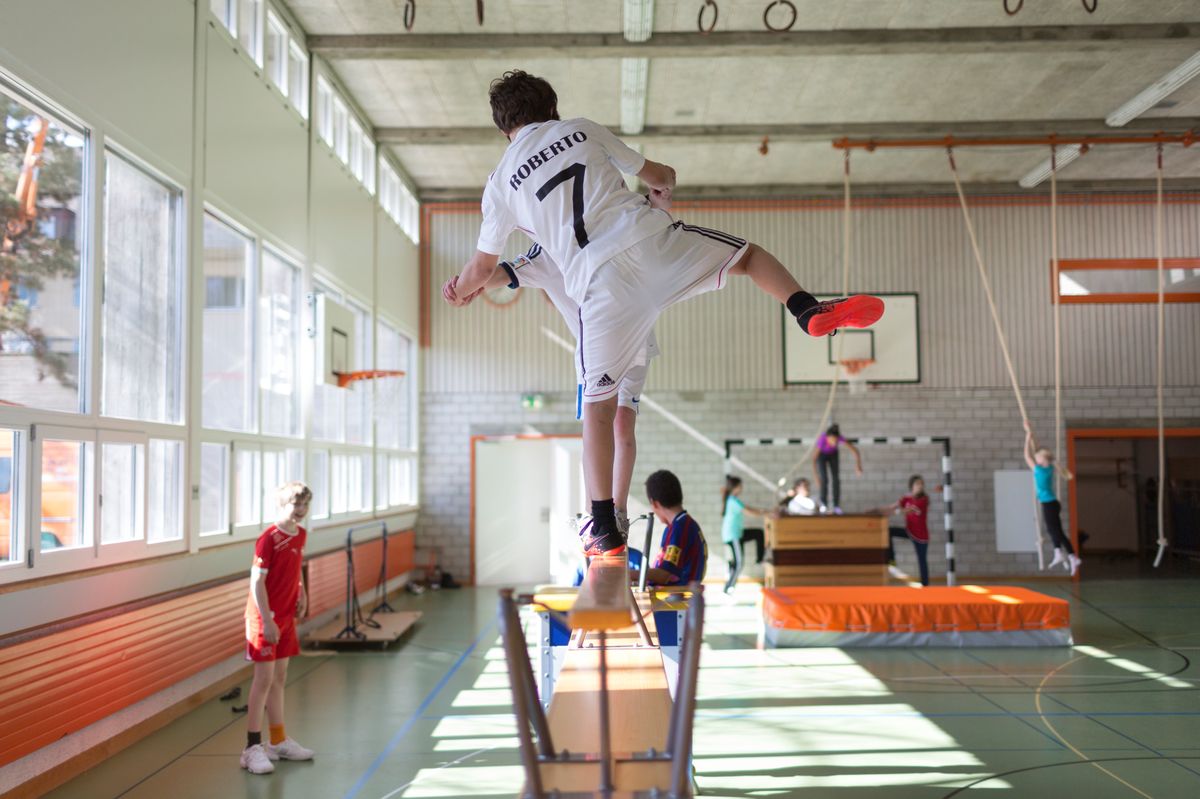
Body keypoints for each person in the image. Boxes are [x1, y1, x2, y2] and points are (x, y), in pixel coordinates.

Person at [443, 70, 885, 557]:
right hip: (650, 242)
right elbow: (659, 176)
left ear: (503, 127)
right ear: (551, 108)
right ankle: (805, 309)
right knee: (750, 257)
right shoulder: (582, 127)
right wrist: (662, 191)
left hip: (601, 290)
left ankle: (603, 524)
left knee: (597, 410)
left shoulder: (500, 181)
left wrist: (460, 291)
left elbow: (485, 267)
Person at [455, 188, 671, 540]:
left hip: (601, 347)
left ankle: (596, 513)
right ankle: (617, 510)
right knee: (624, 427)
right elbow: (643, 218)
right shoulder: (604, 227)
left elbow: (495, 273)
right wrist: (657, 203)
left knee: (596, 424)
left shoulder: (546, 254)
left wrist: (464, 287)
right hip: (640, 338)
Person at [240, 482, 316, 775]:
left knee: (280, 678)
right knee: (263, 680)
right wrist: (268, 621)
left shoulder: (302, 534)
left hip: (287, 616)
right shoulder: (268, 538)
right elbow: (256, 582)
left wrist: (303, 592)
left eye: (305, 505)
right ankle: (251, 747)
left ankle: (278, 741)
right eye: (295, 505)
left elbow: (295, 569)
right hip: (264, 618)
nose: (300, 511)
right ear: (282, 505)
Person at [1024, 421, 1080, 576]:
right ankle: (1059, 553)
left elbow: (1026, 455)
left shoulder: (1039, 470)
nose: (1035, 459)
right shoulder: (1048, 467)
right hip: (1052, 503)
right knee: (1054, 530)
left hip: (1049, 504)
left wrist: (1028, 437)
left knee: (1056, 532)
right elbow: (1037, 453)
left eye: (1038, 457)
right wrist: (1029, 432)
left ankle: (1072, 556)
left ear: (1042, 460)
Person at [642, 469, 707, 586]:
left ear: (655, 503)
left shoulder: (680, 528)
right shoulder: (679, 525)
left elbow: (665, 574)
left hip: (677, 600)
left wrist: (627, 574)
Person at [720, 476, 773, 594]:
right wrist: (767, 512)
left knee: (758, 533)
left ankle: (759, 559)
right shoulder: (733, 501)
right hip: (733, 536)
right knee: (739, 563)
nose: (742, 488)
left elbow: (750, 509)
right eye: (741, 486)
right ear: (736, 487)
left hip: (737, 534)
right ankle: (728, 588)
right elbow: (749, 511)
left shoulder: (731, 499)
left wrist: (766, 512)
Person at [883, 475, 934, 587]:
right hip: (909, 531)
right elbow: (892, 507)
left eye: (921, 484)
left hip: (921, 536)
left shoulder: (924, 500)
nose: (920, 486)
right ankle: (892, 560)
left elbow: (907, 511)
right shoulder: (907, 498)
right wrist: (879, 511)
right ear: (912, 486)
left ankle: (925, 586)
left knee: (922, 561)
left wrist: (895, 511)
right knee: (889, 531)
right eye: (917, 484)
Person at [811, 424, 862, 514]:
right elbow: (814, 459)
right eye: (832, 440)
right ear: (827, 437)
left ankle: (836, 506)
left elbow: (855, 451)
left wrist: (858, 465)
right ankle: (824, 504)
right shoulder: (822, 439)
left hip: (833, 455)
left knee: (836, 479)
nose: (834, 443)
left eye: (836, 441)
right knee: (824, 479)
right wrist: (816, 476)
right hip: (822, 456)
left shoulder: (839, 438)